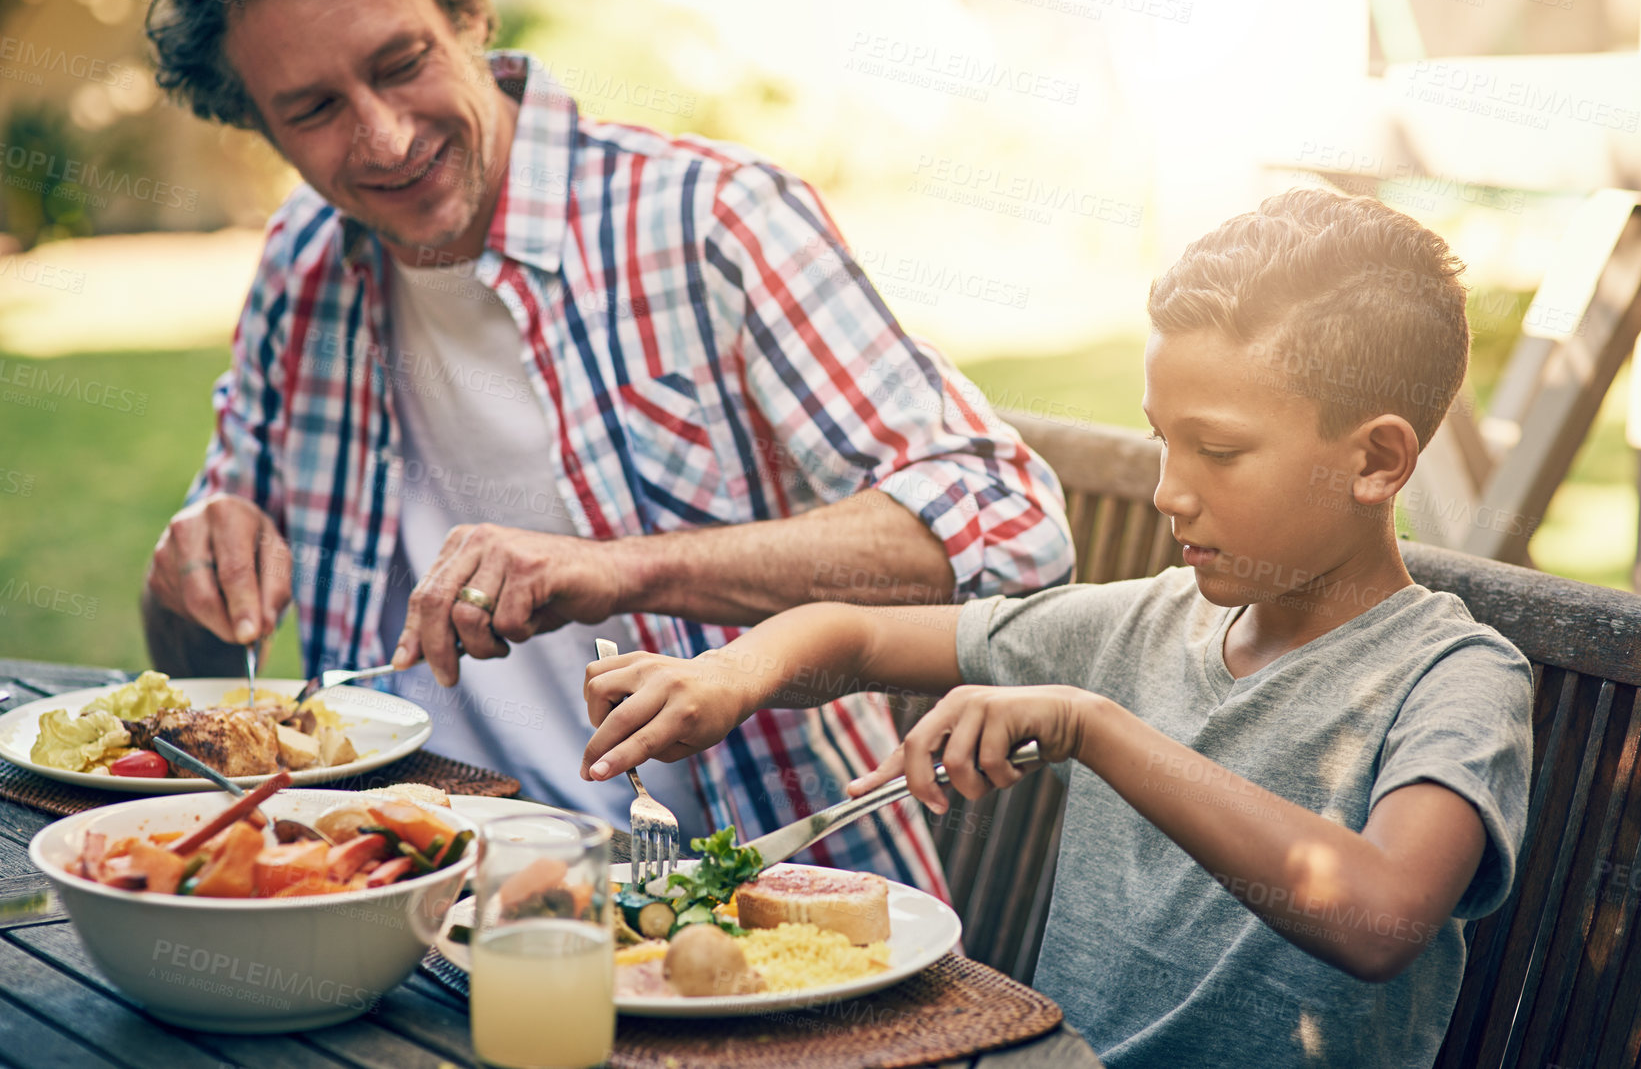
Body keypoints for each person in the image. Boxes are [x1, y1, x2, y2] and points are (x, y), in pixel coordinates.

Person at [137, 0, 1073, 896]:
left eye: (402, 62)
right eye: (315, 108)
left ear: (468, 12)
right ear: (261, 124)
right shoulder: (303, 263)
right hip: (394, 889)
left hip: (743, 902)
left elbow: (1012, 526)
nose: (385, 136)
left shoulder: (707, 218)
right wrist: (190, 573)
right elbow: (201, 661)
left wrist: (627, 570)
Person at [578, 190, 1534, 1066]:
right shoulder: (1147, 623)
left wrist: (1097, 727)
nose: (1169, 493)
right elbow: (856, 636)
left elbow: (1379, 915)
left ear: (1375, 460)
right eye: (1164, 441)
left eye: (1218, 450)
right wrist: (728, 675)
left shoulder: (1453, 676)